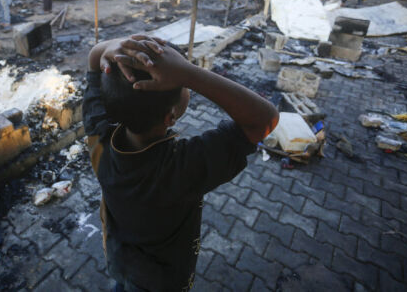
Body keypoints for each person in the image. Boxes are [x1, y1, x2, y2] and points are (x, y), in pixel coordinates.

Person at [83, 35, 278, 291]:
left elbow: (94, 61)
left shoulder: (99, 137)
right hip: (164, 281)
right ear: (171, 116)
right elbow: (265, 119)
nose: (186, 85)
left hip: (122, 261)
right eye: (184, 85)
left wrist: (107, 47)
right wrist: (189, 72)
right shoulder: (181, 169)